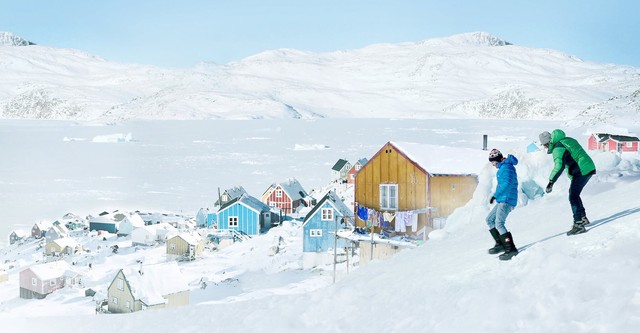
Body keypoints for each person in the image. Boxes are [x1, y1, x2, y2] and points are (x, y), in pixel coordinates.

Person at [539, 129, 596, 235]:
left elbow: (559, 166)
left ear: (547, 142)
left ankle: (578, 224)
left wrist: (551, 181)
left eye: (544, 145)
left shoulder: (558, 147)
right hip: (588, 167)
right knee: (575, 194)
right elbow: (574, 156)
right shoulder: (568, 140)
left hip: (581, 170)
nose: (544, 147)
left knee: (573, 196)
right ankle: (582, 218)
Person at [486, 148, 519, 261]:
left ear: (497, 159)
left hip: (507, 199)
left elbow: (507, 184)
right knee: (489, 219)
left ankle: (511, 249)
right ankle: (500, 244)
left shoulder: (507, 167)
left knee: (499, 223)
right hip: (502, 199)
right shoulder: (503, 167)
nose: (493, 165)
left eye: (493, 162)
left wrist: (495, 195)